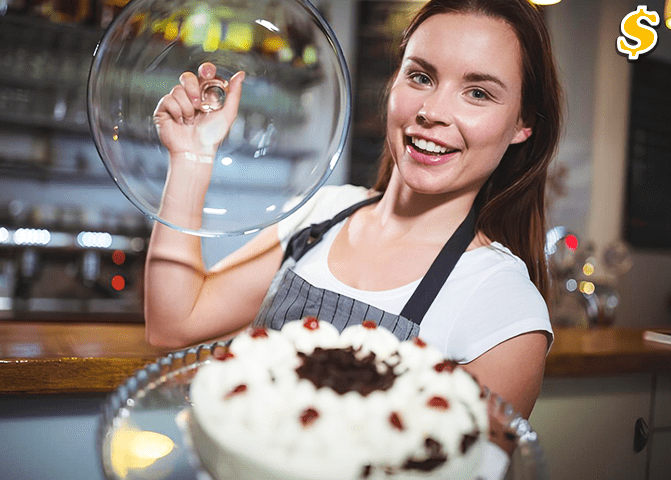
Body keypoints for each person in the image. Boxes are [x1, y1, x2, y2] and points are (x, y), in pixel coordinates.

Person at [145, 0, 563, 420]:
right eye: (420, 77)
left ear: (522, 124)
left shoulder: (505, 306)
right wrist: (192, 156)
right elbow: (175, 322)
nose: (432, 112)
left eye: (477, 93)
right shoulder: (324, 212)